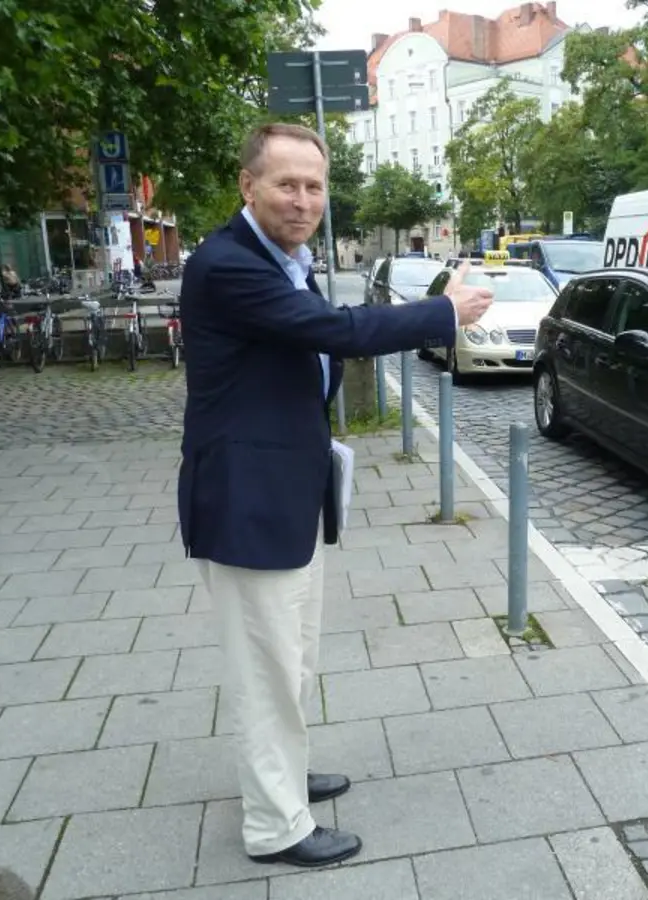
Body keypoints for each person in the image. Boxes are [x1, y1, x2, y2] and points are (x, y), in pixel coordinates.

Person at [177, 122, 493, 869]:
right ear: (246, 186)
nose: (303, 199)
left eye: (315, 185)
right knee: (267, 671)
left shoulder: (286, 259)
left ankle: (282, 779)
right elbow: (334, 331)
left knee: (294, 660)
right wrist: (442, 312)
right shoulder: (228, 266)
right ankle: (274, 827)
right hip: (247, 499)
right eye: (286, 184)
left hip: (287, 488)